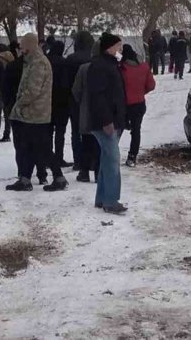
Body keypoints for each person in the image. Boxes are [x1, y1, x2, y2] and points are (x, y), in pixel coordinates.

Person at [7, 33, 64, 191]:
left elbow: (32, 90)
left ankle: (58, 177)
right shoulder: (31, 61)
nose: (21, 49)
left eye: (23, 45)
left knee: (42, 147)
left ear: (30, 45)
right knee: (29, 147)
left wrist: (18, 105)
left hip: (36, 114)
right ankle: (25, 179)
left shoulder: (38, 63)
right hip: (31, 113)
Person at [87, 33, 128, 215]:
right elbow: (98, 96)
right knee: (112, 159)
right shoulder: (100, 66)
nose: (120, 48)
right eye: (118, 45)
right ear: (108, 47)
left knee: (106, 158)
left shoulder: (110, 64)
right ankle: (111, 200)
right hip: (105, 122)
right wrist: (106, 120)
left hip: (112, 119)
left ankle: (102, 198)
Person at [65, 31, 97, 179]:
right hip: (91, 100)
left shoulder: (70, 60)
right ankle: (91, 161)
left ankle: (78, 160)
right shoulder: (93, 60)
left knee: (76, 132)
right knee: (92, 132)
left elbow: (66, 83)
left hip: (73, 99)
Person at [119, 44, 155, 167]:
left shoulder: (121, 68)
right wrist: (140, 92)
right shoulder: (144, 66)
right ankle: (132, 157)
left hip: (124, 105)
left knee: (117, 130)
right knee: (136, 131)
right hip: (139, 104)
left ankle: (111, 155)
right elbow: (151, 85)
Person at [48, 40, 73, 169]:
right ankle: (58, 157)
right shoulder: (64, 63)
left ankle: (47, 157)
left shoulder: (46, 61)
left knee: (47, 132)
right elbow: (67, 84)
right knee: (60, 133)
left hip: (47, 101)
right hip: (62, 102)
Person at [0, 41, 23, 144]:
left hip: (3, 91)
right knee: (8, 114)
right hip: (15, 93)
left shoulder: (0, 60)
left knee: (2, 112)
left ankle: (4, 133)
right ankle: (7, 132)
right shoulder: (15, 61)